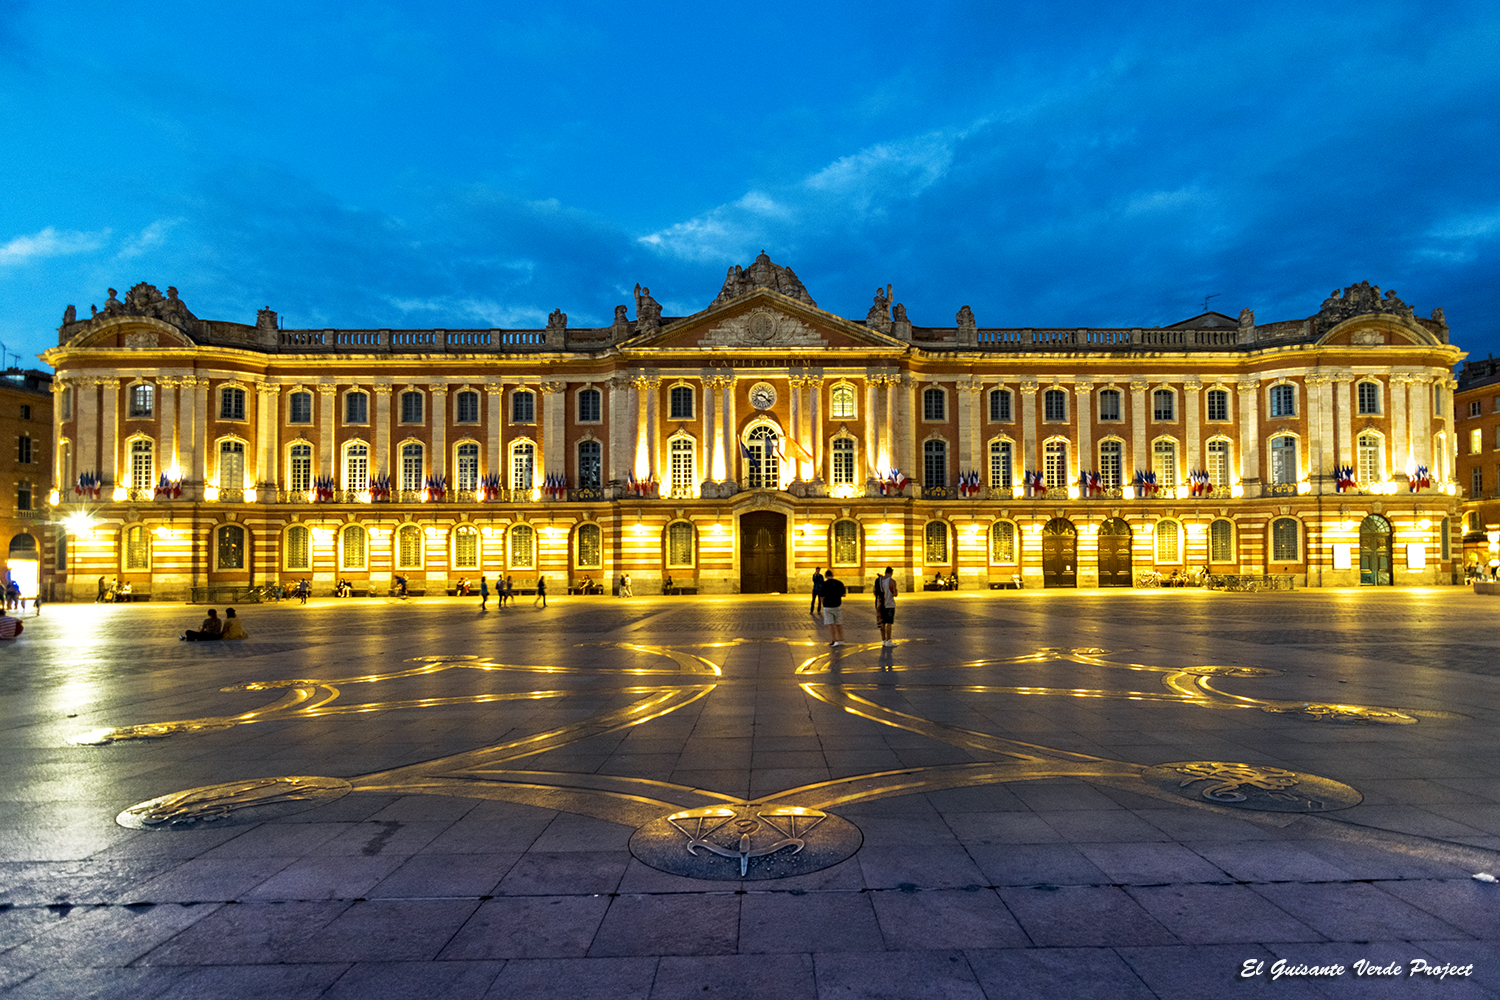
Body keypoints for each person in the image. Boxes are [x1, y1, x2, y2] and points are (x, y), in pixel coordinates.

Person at [821, 567, 847, 646]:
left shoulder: (824, 584)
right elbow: (844, 594)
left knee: (831, 624)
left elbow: (822, 596)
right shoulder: (839, 583)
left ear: (826, 576)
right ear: (832, 575)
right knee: (839, 623)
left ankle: (834, 640)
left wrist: (823, 605)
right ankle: (841, 640)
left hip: (828, 606)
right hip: (837, 605)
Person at [875, 565, 898, 647]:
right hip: (890, 604)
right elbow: (895, 594)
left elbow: (875, 592)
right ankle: (889, 640)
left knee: (882, 622)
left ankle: (883, 640)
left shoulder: (879, 581)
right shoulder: (892, 581)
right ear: (891, 572)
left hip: (881, 605)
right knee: (889, 623)